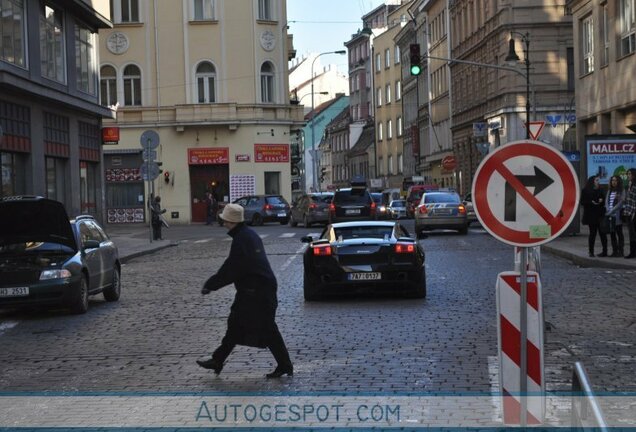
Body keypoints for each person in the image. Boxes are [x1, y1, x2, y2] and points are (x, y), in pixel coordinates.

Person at [197, 203, 293, 378]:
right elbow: (234, 267)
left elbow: (232, 268)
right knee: (238, 325)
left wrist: (211, 285)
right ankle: (218, 360)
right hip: (257, 289)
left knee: (263, 328)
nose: (223, 223)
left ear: (230, 221)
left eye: (224, 220)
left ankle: (285, 365)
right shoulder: (247, 235)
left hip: (256, 292)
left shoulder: (242, 239)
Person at [581, 175, 607, 257]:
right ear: (592, 181)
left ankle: (605, 251)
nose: (598, 182)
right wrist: (591, 202)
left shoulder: (601, 189)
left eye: (598, 180)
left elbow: (604, 201)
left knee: (602, 233)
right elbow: (582, 202)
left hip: (600, 214)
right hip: (591, 215)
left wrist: (601, 200)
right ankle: (591, 251)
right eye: (596, 180)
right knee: (592, 233)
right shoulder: (585, 190)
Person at [605, 175, 625, 257]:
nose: (614, 182)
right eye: (612, 180)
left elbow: (621, 203)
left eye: (615, 180)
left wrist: (612, 210)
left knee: (619, 233)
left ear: (618, 181)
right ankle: (614, 251)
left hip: (616, 216)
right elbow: (606, 201)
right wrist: (607, 209)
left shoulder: (621, 191)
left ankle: (621, 251)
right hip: (610, 216)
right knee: (612, 234)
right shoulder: (610, 190)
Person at [623, 168, 636, 259]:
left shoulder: (635, 186)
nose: (628, 176)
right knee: (631, 233)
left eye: (630, 174)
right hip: (628, 211)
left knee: (634, 233)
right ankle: (632, 252)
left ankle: (633, 252)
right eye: (628, 174)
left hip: (633, 212)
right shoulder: (629, 185)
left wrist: (634, 212)